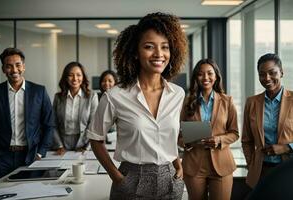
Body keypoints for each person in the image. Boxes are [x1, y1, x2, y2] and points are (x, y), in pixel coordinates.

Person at [87, 12, 188, 199]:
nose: (159, 54)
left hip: (170, 178)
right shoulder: (115, 96)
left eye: (164, 47)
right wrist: (116, 177)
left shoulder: (177, 94)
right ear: (135, 52)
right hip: (131, 179)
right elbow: (95, 138)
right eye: (149, 47)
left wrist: (178, 164)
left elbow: (168, 137)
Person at [179, 58, 239, 200]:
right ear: (196, 77)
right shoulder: (187, 102)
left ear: (216, 76)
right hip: (194, 164)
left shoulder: (227, 101)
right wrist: (186, 143)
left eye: (210, 73)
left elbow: (235, 133)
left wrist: (219, 139)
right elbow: (177, 134)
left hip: (221, 164)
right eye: (200, 74)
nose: (205, 77)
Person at [0, 47, 54, 181]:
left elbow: (49, 125)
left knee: (29, 191)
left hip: (31, 156)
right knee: (0, 192)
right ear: (3, 69)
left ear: (24, 66)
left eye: (18, 65)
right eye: (9, 66)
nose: (14, 70)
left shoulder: (39, 92)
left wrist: (40, 152)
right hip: (2, 157)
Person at [242, 53, 293, 189]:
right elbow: (246, 140)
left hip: (288, 168)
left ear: (281, 72)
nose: (267, 78)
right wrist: (251, 164)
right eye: (262, 74)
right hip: (261, 170)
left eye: (272, 73)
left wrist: (287, 147)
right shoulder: (252, 102)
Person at [52, 62, 98, 155]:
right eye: (71, 75)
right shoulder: (58, 97)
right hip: (62, 146)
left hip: (84, 144)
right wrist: (59, 146)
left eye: (78, 75)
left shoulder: (92, 96)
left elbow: (94, 124)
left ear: (83, 77)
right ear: (66, 77)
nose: (75, 79)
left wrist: (87, 147)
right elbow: (53, 123)